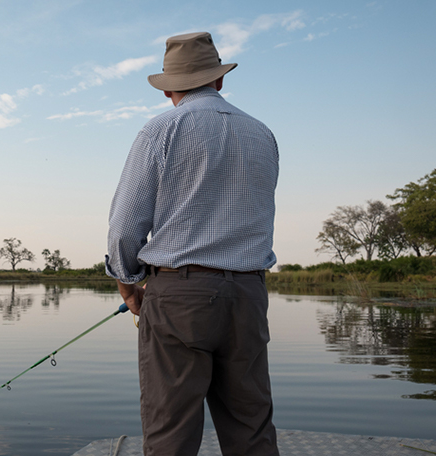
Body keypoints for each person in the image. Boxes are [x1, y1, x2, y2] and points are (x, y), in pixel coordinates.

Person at [105, 31, 280, 456]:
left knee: (171, 432)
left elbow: (126, 227)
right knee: (252, 429)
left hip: (178, 297)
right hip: (249, 294)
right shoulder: (263, 135)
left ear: (168, 87)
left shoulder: (159, 130)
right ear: (219, 80)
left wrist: (127, 282)